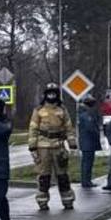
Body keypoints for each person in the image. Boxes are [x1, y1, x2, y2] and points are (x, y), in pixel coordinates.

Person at [27, 83, 77, 211]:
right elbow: (33, 128)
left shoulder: (62, 110)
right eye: (49, 93)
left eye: (54, 93)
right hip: (42, 146)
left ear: (57, 95)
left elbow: (68, 127)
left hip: (58, 146)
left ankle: (67, 201)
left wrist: (72, 144)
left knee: (63, 176)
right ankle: (42, 201)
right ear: (45, 95)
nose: (51, 95)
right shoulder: (39, 110)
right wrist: (32, 148)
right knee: (44, 176)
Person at [77, 94, 102, 189]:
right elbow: (90, 128)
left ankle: (86, 180)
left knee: (87, 162)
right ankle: (86, 181)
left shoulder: (84, 113)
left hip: (87, 142)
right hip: (88, 142)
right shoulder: (86, 114)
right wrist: (97, 134)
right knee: (87, 163)